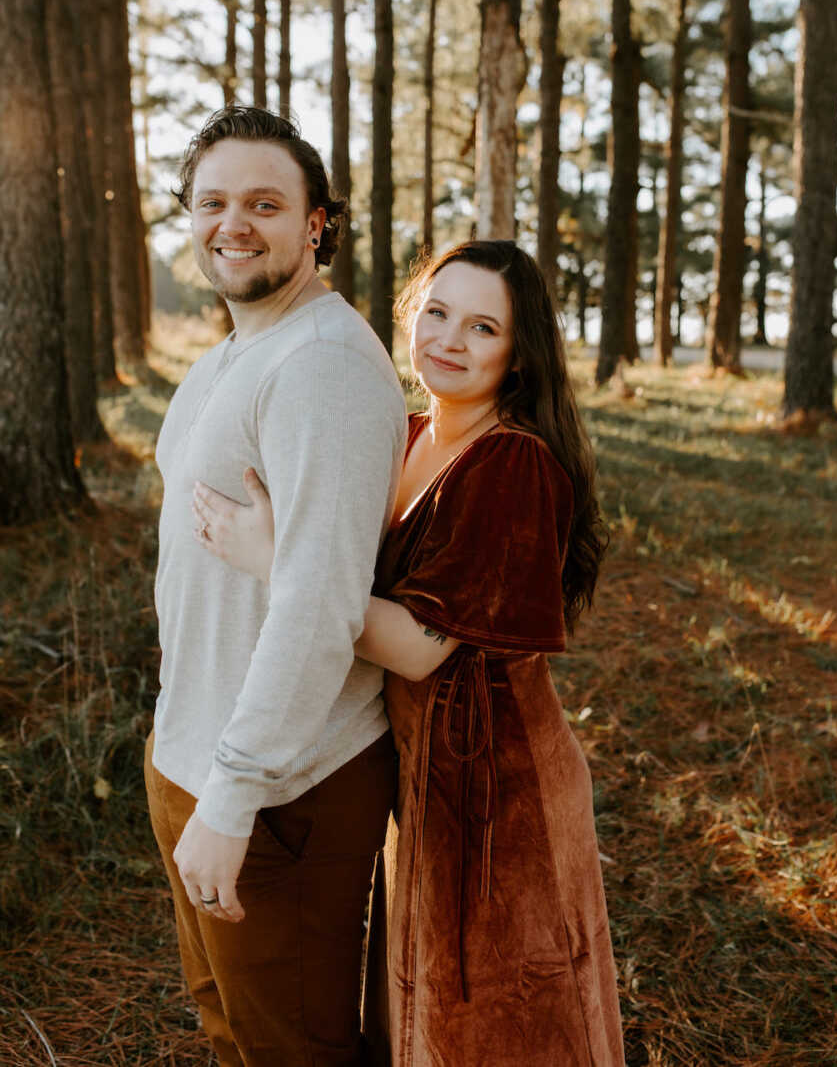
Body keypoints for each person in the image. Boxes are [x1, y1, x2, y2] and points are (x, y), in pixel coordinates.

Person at [193, 240, 627, 1066]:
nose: (449, 339)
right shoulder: (412, 432)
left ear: (519, 351)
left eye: (482, 326)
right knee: (427, 1000)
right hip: (424, 766)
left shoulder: (513, 464)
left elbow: (418, 649)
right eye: (436, 312)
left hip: (501, 786)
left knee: (503, 1014)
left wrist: (274, 558)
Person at [147, 105, 408, 1067]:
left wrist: (234, 793)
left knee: (292, 1051)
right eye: (213, 201)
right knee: (233, 1031)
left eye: (265, 201)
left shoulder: (324, 367)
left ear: (316, 224)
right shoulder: (230, 354)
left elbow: (318, 606)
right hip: (197, 755)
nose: (234, 223)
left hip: (281, 790)